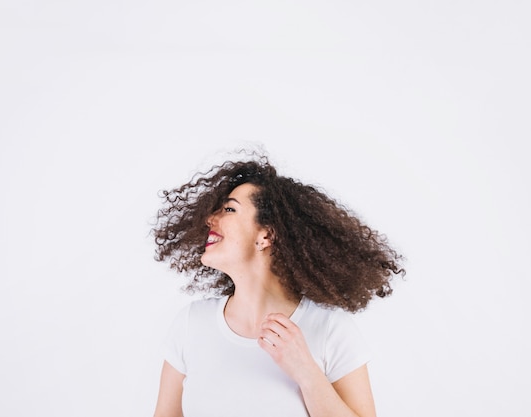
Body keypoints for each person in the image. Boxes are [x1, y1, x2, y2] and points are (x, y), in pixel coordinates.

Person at [151, 151, 404, 417]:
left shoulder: (329, 328)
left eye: (229, 209)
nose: (209, 219)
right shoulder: (191, 323)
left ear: (266, 235)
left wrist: (306, 372)